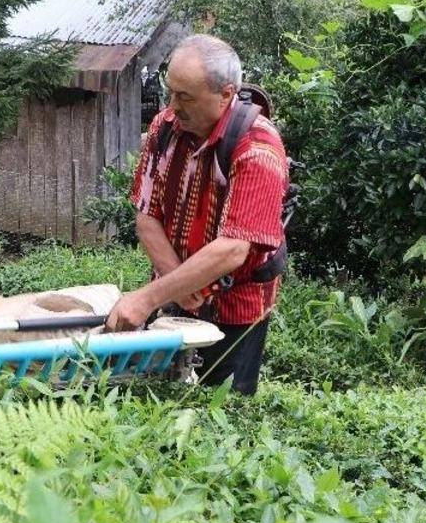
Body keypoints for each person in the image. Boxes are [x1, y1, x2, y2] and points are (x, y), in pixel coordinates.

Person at [105, 34, 289, 394]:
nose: (172, 106)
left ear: (225, 94)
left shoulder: (259, 148)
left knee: (224, 406)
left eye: (185, 97)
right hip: (173, 289)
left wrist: (145, 298)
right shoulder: (164, 128)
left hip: (236, 305)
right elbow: (147, 215)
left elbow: (234, 248)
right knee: (162, 395)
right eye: (170, 91)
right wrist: (179, 287)